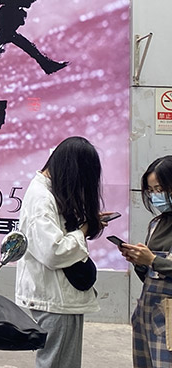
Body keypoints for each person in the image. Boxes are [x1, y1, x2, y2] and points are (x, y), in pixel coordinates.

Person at [15, 136, 110, 368]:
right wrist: (85, 230)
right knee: (58, 363)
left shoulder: (47, 192)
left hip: (58, 296)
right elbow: (53, 252)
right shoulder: (41, 198)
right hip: (54, 297)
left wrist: (83, 225)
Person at [120, 156, 172, 367]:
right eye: (151, 191)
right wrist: (140, 262)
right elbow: (151, 277)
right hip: (148, 312)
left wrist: (153, 260)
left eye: (160, 189)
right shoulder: (156, 224)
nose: (155, 196)